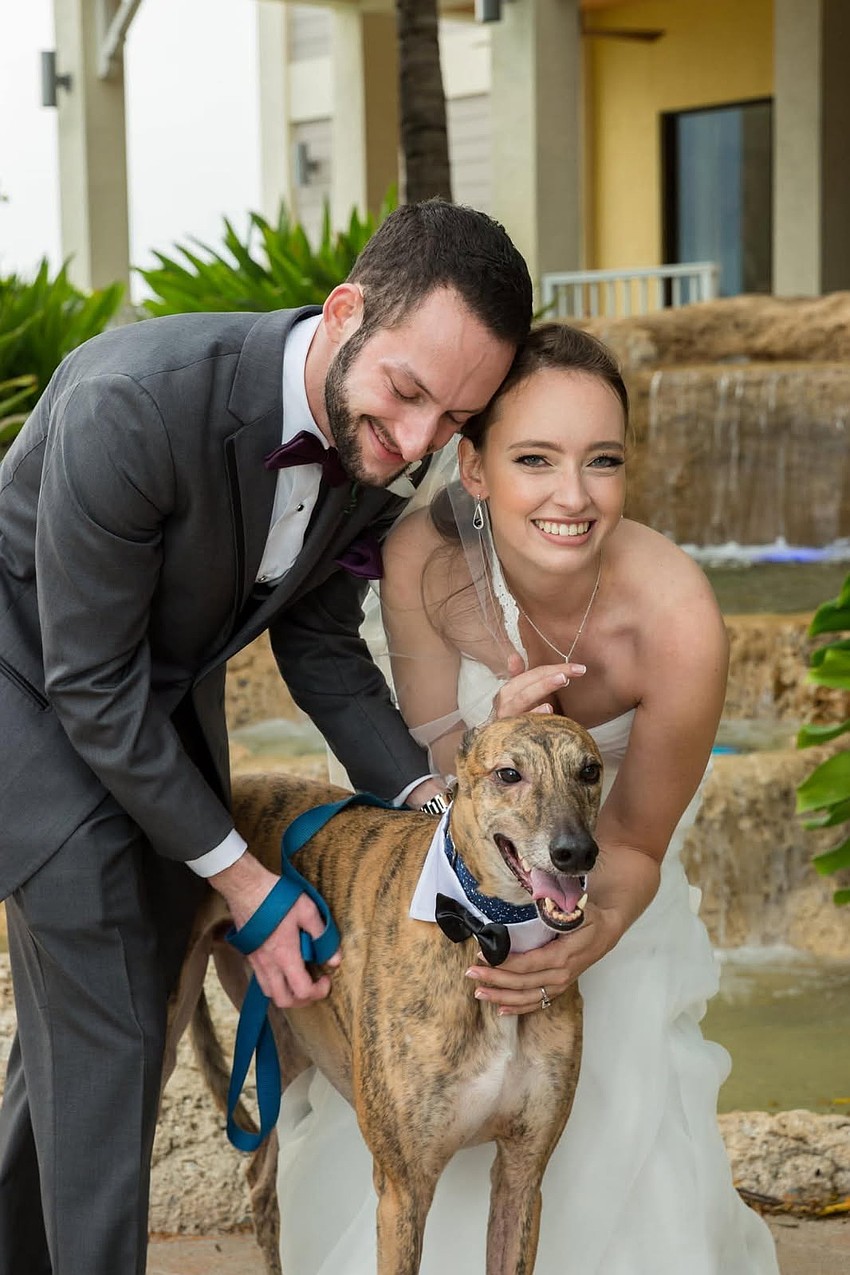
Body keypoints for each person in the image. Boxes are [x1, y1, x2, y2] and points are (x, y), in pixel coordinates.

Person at [0, 198, 532, 1274]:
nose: (419, 444)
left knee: (92, 1024)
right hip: (24, 679)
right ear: (344, 313)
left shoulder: (384, 442)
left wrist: (432, 805)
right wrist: (248, 883)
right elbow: (87, 685)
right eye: (408, 393)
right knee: (113, 1004)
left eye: (453, 421)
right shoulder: (131, 406)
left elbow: (324, 649)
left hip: (141, 696)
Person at [275, 323, 780, 1273]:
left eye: (603, 461)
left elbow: (628, 845)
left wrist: (571, 951)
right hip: (459, 890)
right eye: (534, 458)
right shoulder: (424, 559)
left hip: (611, 900)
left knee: (617, 1180)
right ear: (472, 466)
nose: (572, 496)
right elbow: (433, 795)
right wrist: (488, 743)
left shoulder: (679, 624)